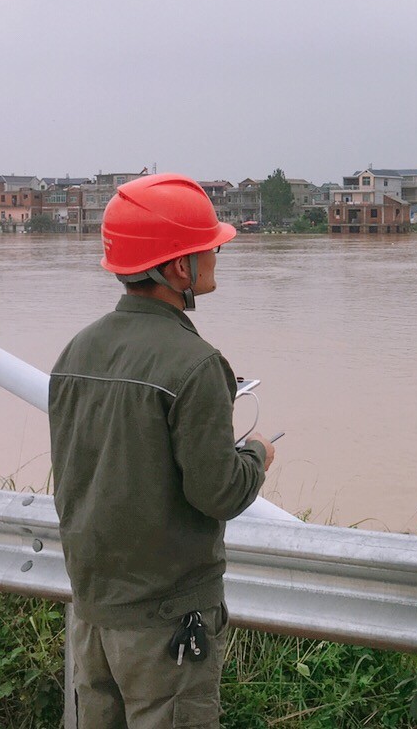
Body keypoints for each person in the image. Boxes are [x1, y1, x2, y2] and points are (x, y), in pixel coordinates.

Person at [48, 172, 276, 729]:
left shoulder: (77, 350)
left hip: (93, 612)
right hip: (168, 625)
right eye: (210, 248)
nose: (218, 254)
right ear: (179, 268)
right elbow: (216, 492)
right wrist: (256, 459)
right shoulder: (195, 364)